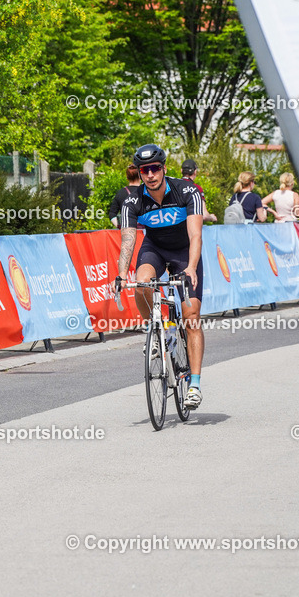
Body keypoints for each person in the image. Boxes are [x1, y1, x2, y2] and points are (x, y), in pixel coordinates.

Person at [115, 143, 206, 410]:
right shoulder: (133, 200)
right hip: (154, 248)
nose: (151, 175)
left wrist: (191, 267)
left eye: (155, 169)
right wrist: (121, 273)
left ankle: (196, 385)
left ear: (164, 169)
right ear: (140, 173)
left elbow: (196, 235)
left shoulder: (186, 191)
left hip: (183, 252)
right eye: (145, 171)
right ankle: (157, 332)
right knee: (142, 283)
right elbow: (128, 240)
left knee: (191, 317)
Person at [180, 159, 217, 224]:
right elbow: (204, 216)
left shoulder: (174, 186)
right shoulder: (196, 188)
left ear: (181, 171)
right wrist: (211, 217)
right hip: (189, 229)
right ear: (195, 172)